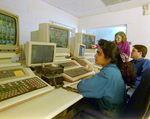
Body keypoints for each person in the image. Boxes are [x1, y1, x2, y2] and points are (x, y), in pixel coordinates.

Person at [73, 39, 135, 118]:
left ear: (109, 57)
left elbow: (81, 87)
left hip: (110, 114)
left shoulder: (107, 74)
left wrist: (88, 79)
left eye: (98, 53)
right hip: (117, 110)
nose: (95, 55)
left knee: (78, 103)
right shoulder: (114, 69)